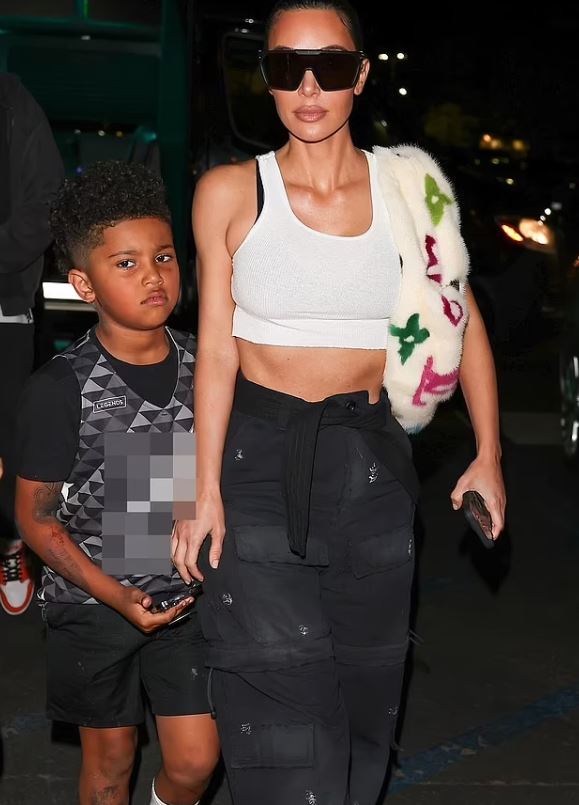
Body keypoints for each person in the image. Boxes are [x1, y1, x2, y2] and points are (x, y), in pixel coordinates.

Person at [173, 1, 506, 803]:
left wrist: (488, 455)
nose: (308, 87)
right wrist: (201, 488)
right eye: (285, 67)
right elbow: (214, 350)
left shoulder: (410, 191)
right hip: (259, 464)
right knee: (284, 730)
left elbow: (460, 319)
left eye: (328, 65)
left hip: (371, 467)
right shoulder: (229, 191)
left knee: (362, 721)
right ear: (266, 80)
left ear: (359, 75)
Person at [14, 162, 219, 805]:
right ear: (84, 284)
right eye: (126, 263)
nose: (153, 275)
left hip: (185, 599)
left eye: (163, 256)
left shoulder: (208, 365)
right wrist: (114, 595)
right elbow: (35, 519)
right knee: (111, 764)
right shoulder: (61, 387)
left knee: (195, 762)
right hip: (94, 605)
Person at [0, 72, 64, 615]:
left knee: (10, 440)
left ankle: (11, 544)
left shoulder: (11, 102)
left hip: (3, 308)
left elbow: (47, 201)